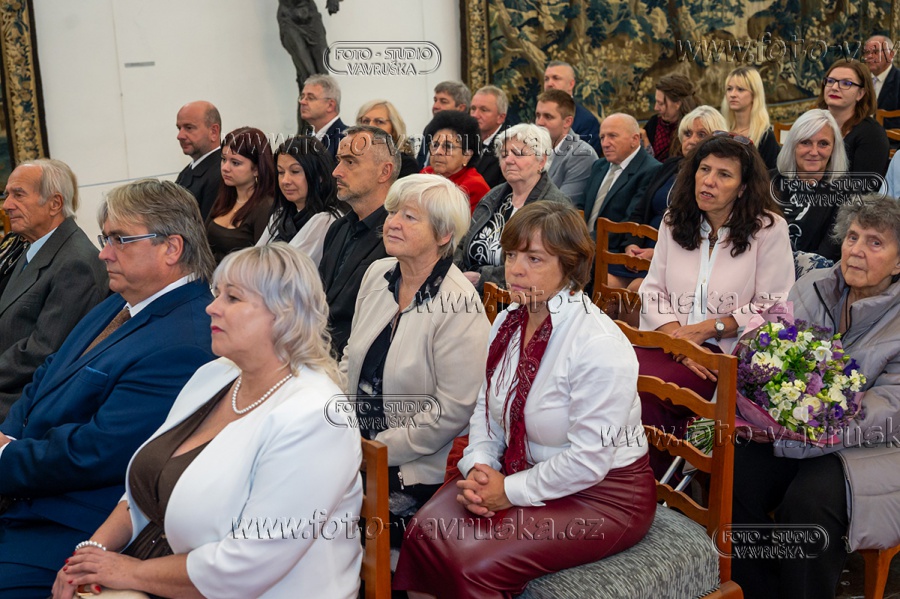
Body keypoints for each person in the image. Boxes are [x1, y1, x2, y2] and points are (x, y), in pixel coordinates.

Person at [52, 243, 362, 599]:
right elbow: (145, 488)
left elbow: (248, 565)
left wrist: (127, 572)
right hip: (161, 567)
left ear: (283, 314)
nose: (211, 307)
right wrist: (91, 553)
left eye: (233, 297)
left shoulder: (315, 417)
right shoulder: (215, 375)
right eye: (217, 294)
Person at [394, 202, 655, 599]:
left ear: (569, 266)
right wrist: (481, 465)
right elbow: (487, 408)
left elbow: (589, 460)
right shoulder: (509, 320)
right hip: (522, 468)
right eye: (512, 255)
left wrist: (508, 491)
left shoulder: (598, 345)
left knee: (475, 565)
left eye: (534, 259)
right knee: (424, 531)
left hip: (603, 494)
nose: (515, 269)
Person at [0, 179, 216, 598]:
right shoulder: (122, 300)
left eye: (120, 239)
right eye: (105, 239)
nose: (104, 253)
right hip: (31, 494)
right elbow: (48, 372)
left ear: (172, 248)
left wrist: (6, 456)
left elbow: (97, 452)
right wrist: (7, 438)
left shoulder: (185, 341)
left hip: (73, 519)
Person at [732, 194, 900, 599]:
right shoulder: (812, 285)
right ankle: (761, 590)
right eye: (853, 236)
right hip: (799, 432)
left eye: (875, 242)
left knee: (809, 504)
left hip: (876, 444)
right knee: (735, 472)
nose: (856, 250)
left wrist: (817, 422)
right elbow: (778, 348)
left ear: (898, 263)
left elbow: (890, 408)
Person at [341, 174, 490, 547]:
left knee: (327, 515)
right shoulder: (377, 275)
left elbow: (452, 410)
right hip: (354, 443)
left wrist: (376, 450)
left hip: (414, 465)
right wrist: (338, 425)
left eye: (409, 217)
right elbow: (349, 357)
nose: (392, 222)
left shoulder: (459, 303)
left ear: (443, 235)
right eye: (393, 212)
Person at [638, 133, 794, 477]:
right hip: (667, 343)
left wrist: (710, 328)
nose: (709, 181)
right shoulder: (674, 220)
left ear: (742, 188)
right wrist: (679, 341)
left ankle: (649, 486)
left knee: (648, 396)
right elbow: (652, 290)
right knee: (611, 379)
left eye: (724, 174)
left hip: (725, 355)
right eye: (704, 169)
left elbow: (773, 306)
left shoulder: (768, 230)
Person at [0, 159, 108, 417]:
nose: (6, 205)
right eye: (7, 195)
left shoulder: (76, 263)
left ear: (55, 204)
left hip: (25, 401)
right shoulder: (32, 247)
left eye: (18, 195)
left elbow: (42, 352)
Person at [608, 106, 727, 291]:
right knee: (608, 282)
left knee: (637, 288)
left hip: (678, 254)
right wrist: (631, 245)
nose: (692, 140)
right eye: (687, 134)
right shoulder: (670, 166)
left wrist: (657, 253)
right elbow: (640, 211)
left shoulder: (711, 181)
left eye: (701, 134)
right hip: (641, 251)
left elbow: (701, 228)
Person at [454, 123, 570, 293]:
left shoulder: (554, 206)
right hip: (469, 289)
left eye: (518, 154)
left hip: (520, 297)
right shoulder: (494, 196)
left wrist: (483, 279)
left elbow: (542, 266)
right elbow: (463, 243)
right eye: (504, 155)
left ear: (541, 161)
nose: (508, 160)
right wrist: (456, 271)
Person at [319, 125, 399, 355]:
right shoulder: (338, 228)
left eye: (350, 162)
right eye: (339, 160)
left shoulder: (398, 236)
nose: (336, 172)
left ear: (384, 172)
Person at [771, 109, 849, 261]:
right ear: (793, 146)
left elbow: (828, 253)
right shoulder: (767, 182)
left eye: (823, 144)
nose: (814, 152)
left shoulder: (845, 192)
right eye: (805, 142)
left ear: (834, 149)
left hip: (813, 272)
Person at [256, 136, 347, 266]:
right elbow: (254, 258)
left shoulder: (327, 220)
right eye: (281, 172)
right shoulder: (280, 215)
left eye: (295, 171)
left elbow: (287, 268)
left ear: (319, 175)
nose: (285, 181)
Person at [580, 113, 661, 236]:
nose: (605, 144)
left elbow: (629, 223)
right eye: (602, 137)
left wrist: (586, 243)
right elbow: (581, 206)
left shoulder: (651, 170)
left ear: (635, 139)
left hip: (609, 245)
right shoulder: (599, 165)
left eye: (612, 136)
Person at [206, 126, 276, 263]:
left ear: (256, 169)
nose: (225, 168)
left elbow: (263, 262)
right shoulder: (226, 197)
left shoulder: (265, 207)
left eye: (235, 163)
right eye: (223, 159)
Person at [817, 59, 890, 176]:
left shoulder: (872, 134)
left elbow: (864, 185)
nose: (834, 87)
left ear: (860, 94)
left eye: (846, 83)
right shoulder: (813, 123)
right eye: (830, 81)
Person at [537, 89, 598, 206]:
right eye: (538, 115)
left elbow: (561, 206)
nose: (539, 122)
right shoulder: (531, 148)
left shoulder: (582, 154)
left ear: (567, 122)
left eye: (548, 117)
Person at [421, 110, 491, 213]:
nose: (438, 152)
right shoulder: (425, 174)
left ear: (467, 155)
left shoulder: (475, 187)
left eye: (448, 147)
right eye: (435, 145)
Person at [277, 0, 330, 133]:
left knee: (324, 78)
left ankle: (321, 131)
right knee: (309, 79)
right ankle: (306, 133)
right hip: (289, 17)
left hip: (311, 15)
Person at [720, 66, 780, 168]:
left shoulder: (765, 137)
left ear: (754, 94)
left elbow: (771, 174)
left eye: (740, 89)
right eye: (729, 89)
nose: (732, 94)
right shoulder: (721, 131)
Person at [174, 101, 222, 219]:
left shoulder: (221, 174)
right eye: (179, 128)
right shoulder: (189, 171)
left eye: (189, 128)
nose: (180, 136)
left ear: (213, 132)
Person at [543, 60, 601, 152]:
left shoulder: (587, 121)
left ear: (571, 84)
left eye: (556, 78)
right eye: (546, 79)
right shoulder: (538, 115)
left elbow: (585, 157)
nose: (549, 84)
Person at [641, 74, 701, 161]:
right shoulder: (654, 123)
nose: (656, 108)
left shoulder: (692, 131)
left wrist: (647, 145)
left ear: (677, 104)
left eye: (661, 103)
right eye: (656, 102)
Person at [356, 98, 419, 178]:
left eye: (379, 121)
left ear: (393, 129)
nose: (370, 126)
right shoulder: (352, 158)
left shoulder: (405, 163)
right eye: (366, 121)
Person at [417, 81, 472, 168]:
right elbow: (420, 164)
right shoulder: (429, 128)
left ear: (461, 108)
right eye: (435, 100)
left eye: (443, 102)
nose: (435, 106)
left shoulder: (469, 133)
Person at [469, 85, 509, 188]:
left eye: (484, 110)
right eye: (473, 109)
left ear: (500, 117)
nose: (475, 115)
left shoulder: (509, 146)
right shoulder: (463, 139)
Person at [300, 74, 345, 159]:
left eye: (310, 98)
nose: (302, 102)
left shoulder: (346, 138)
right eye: (302, 97)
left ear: (330, 105)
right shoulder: (303, 140)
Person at [863, 35, 900, 130]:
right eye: (867, 52)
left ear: (891, 55)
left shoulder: (898, 80)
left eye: (875, 52)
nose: (869, 56)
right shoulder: (860, 79)